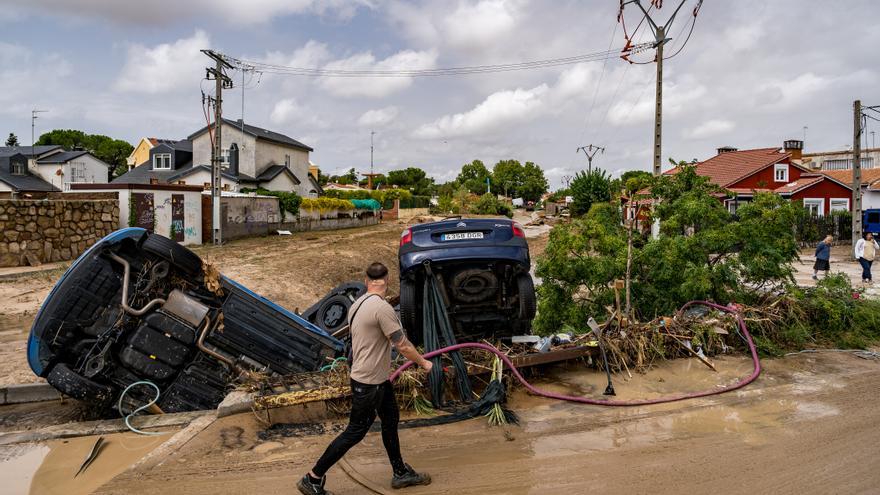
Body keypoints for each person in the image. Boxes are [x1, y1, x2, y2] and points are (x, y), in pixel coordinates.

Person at [298, 262, 433, 495]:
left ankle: (400, 472)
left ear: (366, 280)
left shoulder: (356, 305)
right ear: (387, 280)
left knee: (390, 419)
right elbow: (401, 344)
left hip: (377, 379)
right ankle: (313, 478)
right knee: (356, 430)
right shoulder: (382, 309)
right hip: (369, 382)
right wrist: (424, 362)